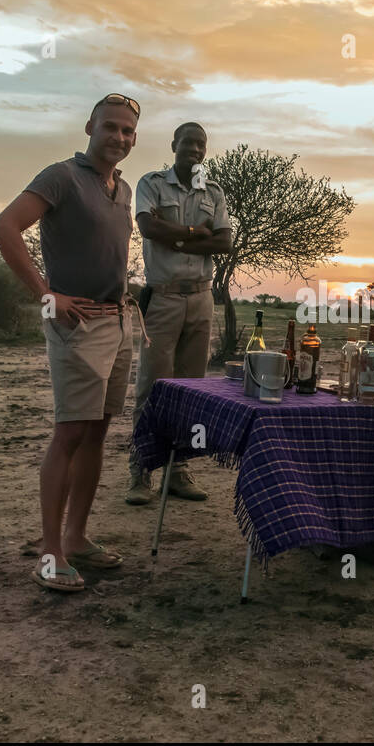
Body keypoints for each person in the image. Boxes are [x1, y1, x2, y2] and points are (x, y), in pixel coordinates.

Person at [0, 93, 141, 592]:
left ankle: (77, 539)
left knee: (98, 432)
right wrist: (46, 294)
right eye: (110, 127)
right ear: (89, 128)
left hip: (119, 323)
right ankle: (50, 552)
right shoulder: (61, 176)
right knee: (70, 434)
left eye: (127, 131)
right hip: (77, 326)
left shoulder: (123, 189)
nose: (119, 137)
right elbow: (4, 227)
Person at [125, 122, 232, 505]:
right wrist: (194, 232)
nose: (194, 149)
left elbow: (224, 241)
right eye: (188, 142)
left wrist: (182, 236)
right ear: (174, 145)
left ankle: (178, 470)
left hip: (201, 299)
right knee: (153, 388)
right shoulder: (151, 183)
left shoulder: (214, 192)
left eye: (201, 144)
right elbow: (149, 228)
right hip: (164, 298)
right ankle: (141, 470)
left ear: (205, 150)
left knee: (192, 389)